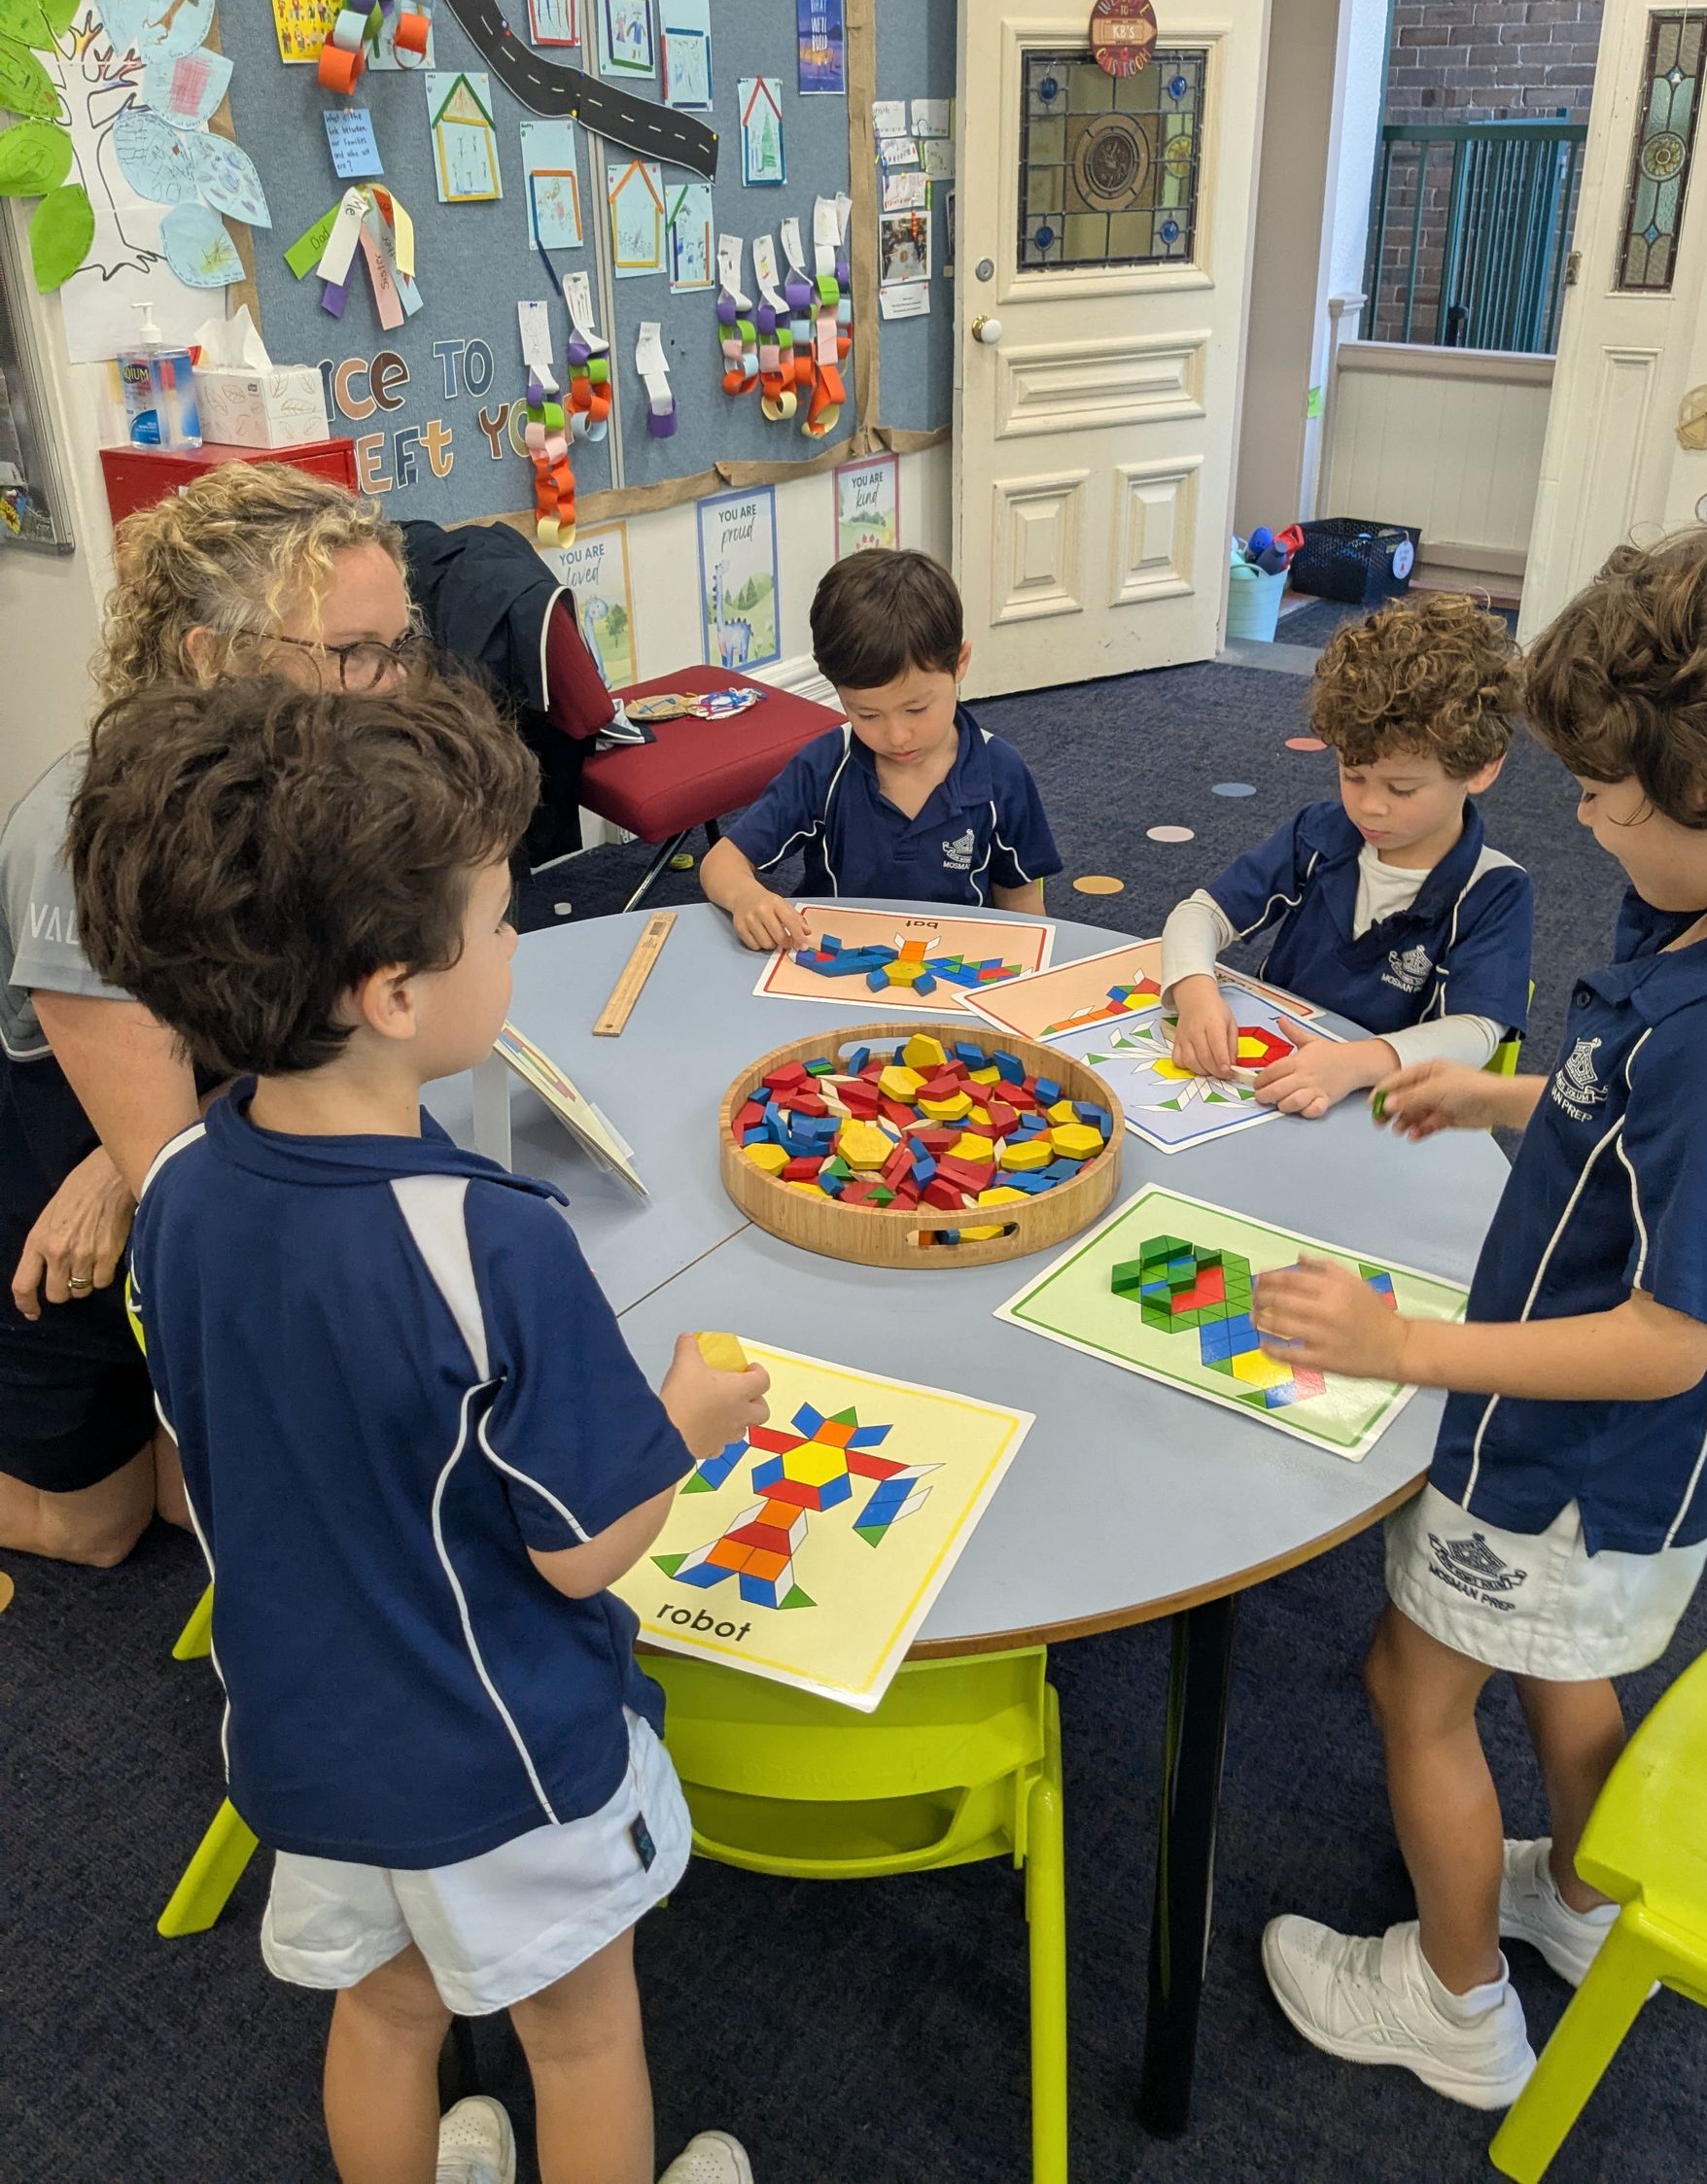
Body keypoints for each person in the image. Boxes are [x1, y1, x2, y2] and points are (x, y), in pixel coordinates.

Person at [69, 673, 764, 2184]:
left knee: (384, 2015)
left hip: (300, 1733)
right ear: (391, 993)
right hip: (500, 1754)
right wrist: (686, 1423)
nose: (515, 943)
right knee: (580, 2039)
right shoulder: (491, 1240)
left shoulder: (175, 1185)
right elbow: (581, 1552)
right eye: (502, 920)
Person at [1248, 524, 1707, 2110]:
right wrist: (1504, 1093)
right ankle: (1577, 1898)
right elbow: (1639, 1119)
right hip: (1619, 1499)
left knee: (1411, 1689)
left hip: (1558, 1463)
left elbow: (1665, 1338)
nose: (1579, 820)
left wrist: (1402, 1350)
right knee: (1568, 1662)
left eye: (1604, 799)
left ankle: (1451, 2001)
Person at [0, 462, 420, 1568]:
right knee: (98, 1529)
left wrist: (121, 1164)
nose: (390, 687)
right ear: (209, 655)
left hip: (156, 1129)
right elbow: (180, 1181)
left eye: (397, 646)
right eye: (351, 654)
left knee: (202, 1499)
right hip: (40, 1168)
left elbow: (323, 1021)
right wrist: (118, 1163)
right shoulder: (78, 840)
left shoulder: (317, 778)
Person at [1161, 593, 1533, 1117]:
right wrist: (1197, 991)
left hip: (1386, 1110)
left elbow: (1476, 1032)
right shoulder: (1320, 833)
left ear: (1482, 768)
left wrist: (1357, 1063)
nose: (1369, 806)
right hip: (1277, 1084)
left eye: (1402, 789)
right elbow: (1200, 913)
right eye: (1352, 775)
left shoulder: (1495, 889)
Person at [699, 549, 1062, 949]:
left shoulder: (1001, 772)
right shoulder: (824, 766)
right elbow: (722, 862)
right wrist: (746, 896)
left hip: (951, 962)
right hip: (834, 960)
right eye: (867, 715)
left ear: (960, 663)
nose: (897, 736)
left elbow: (1021, 901)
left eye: (916, 709)